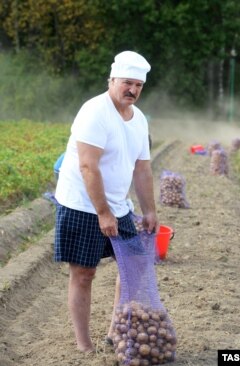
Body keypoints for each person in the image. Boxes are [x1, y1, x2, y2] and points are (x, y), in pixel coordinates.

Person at [54, 50, 159, 353]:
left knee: (135, 265)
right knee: (84, 272)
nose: (133, 90)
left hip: (118, 204)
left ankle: (115, 331)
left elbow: (142, 168)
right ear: (112, 80)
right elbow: (89, 166)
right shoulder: (94, 112)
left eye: (139, 85)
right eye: (127, 82)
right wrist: (103, 213)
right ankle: (84, 345)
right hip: (82, 204)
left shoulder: (138, 119)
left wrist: (150, 210)